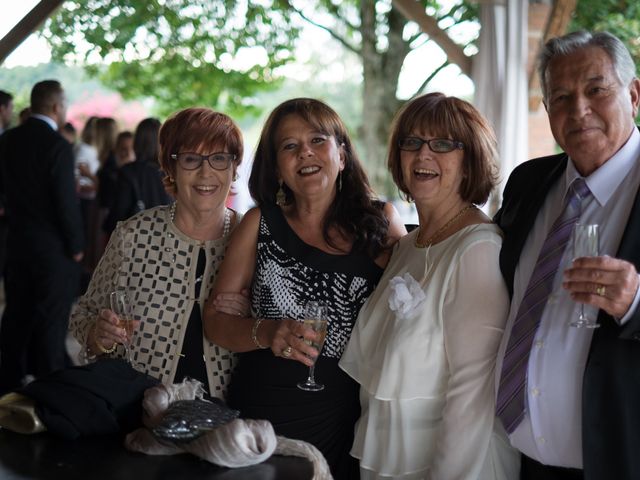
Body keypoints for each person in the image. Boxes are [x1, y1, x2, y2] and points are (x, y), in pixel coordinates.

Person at [203, 97, 406, 478]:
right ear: (277, 167)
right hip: (264, 413)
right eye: (290, 146)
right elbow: (215, 322)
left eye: (317, 140)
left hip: (348, 415)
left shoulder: (381, 224)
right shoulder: (259, 223)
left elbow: (412, 307)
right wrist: (265, 330)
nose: (305, 154)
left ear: (341, 155)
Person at [339, 92, 519, 479]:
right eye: (412, 142)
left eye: (442, 144)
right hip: (391, 460)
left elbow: (473, 396)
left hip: (451, 465)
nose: (423, 155)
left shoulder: (477, 248)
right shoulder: (407, 245)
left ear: (470, 160)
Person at [494, 31, 640, 479]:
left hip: (617, 461)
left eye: (596, 89)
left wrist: (637, 304)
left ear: (633, 95)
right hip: (519, 461)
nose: (578, 110)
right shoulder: (528, 182)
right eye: (560, 96)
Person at [69, 107, 246, 398]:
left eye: (219, 158)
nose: (206, 172)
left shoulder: (250, 237)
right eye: (190, 159)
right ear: (170, 167)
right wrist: (99, 336)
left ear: (233, 167)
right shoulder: (133, 234)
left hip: (226, 415)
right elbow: (83, 315)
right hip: (136, 408)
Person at [0, 80, 84, 394]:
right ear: (55, 106)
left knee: (17, 312)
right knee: (52, 317)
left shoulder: (7, 140)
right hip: (53, 248)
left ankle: (9, 381)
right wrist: (76, 245)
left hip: (17, 241)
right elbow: (65, 201)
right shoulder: (57, 145)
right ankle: (52, 388)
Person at [103, 118, 171, 234]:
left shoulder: (129, 171)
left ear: (137, 141)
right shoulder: (170, 171)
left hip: (137, 241)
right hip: (165, 239)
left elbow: (118, 213)